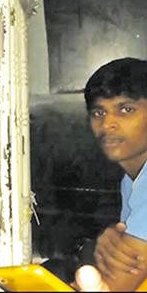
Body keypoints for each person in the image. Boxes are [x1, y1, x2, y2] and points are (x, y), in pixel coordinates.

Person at [77, 57, 147, 291]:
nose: (108, 124)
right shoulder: (131, 180)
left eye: (126, 109)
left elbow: (115, 285)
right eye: (98, 112)